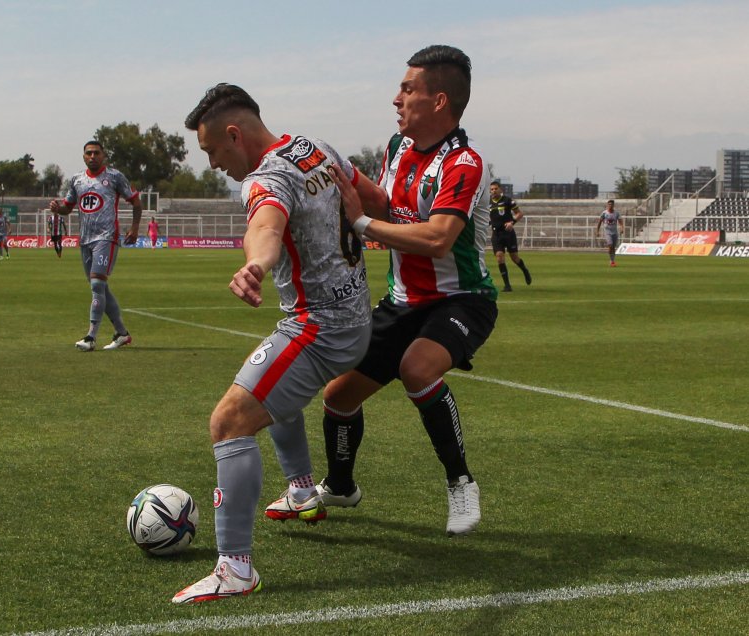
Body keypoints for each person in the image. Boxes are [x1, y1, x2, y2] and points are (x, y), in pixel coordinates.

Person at [171, 84, 371, 604]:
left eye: (213, 151)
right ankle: (303, 491)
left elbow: (266, 222)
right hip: (351, 316)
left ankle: (236, 567)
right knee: (275, 394)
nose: (214, 163)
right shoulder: (317, 148)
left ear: (234, 134)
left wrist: (257, 262)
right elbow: (377, 201)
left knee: (229, 420)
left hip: (320, 327)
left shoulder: (266, 177)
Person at [316, 44, 498, 539]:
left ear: (439, 101)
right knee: (338, 397)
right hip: (402, 302)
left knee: (416, 368)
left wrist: (360, 221)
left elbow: (439, 239)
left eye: (407, 88)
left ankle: (461, 483)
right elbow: (378, 202)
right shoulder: (396, 150)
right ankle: (339, 484)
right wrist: (333, 178)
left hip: (462, 301)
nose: (396, 98)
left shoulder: (465, 164)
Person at [49, 141, 142, 351]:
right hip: (85, 240)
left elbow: (136, 202)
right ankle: (122, 334)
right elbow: (68, 207)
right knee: (100, 288)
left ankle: (91, 337)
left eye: (96, 153)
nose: (92, 156)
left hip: (106, 237)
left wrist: (135, 228)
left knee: (97, 285)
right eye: (89, 153)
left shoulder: (115, 177)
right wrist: (58, 207)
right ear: (83, 156)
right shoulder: (77, 180)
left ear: (103, 156)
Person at [489, 181, 532, 291]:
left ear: (500, 189)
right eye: (492, 189)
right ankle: (507, 285)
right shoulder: (488, 203)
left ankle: (525, 270)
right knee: (499, 257)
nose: (494, 191)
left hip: (508, 234)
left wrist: (512, 222)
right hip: (496, 234)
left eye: (495, 189)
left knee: (514, 258)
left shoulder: (507, 201)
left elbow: (519, 213)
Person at [596, 199, 624, 266]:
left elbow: (620, 221)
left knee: (613, 247)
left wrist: (622, 228)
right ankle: (611, 261)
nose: (610, 205)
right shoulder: (604, 213)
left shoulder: (616, 213)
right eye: (609, 204)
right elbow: (599, 222)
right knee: (610, 245)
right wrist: (597, 231)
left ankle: (612, 261)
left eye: (611, 204)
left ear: (613, 205)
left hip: (615, 232)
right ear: (607, 205)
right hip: (607, 232)